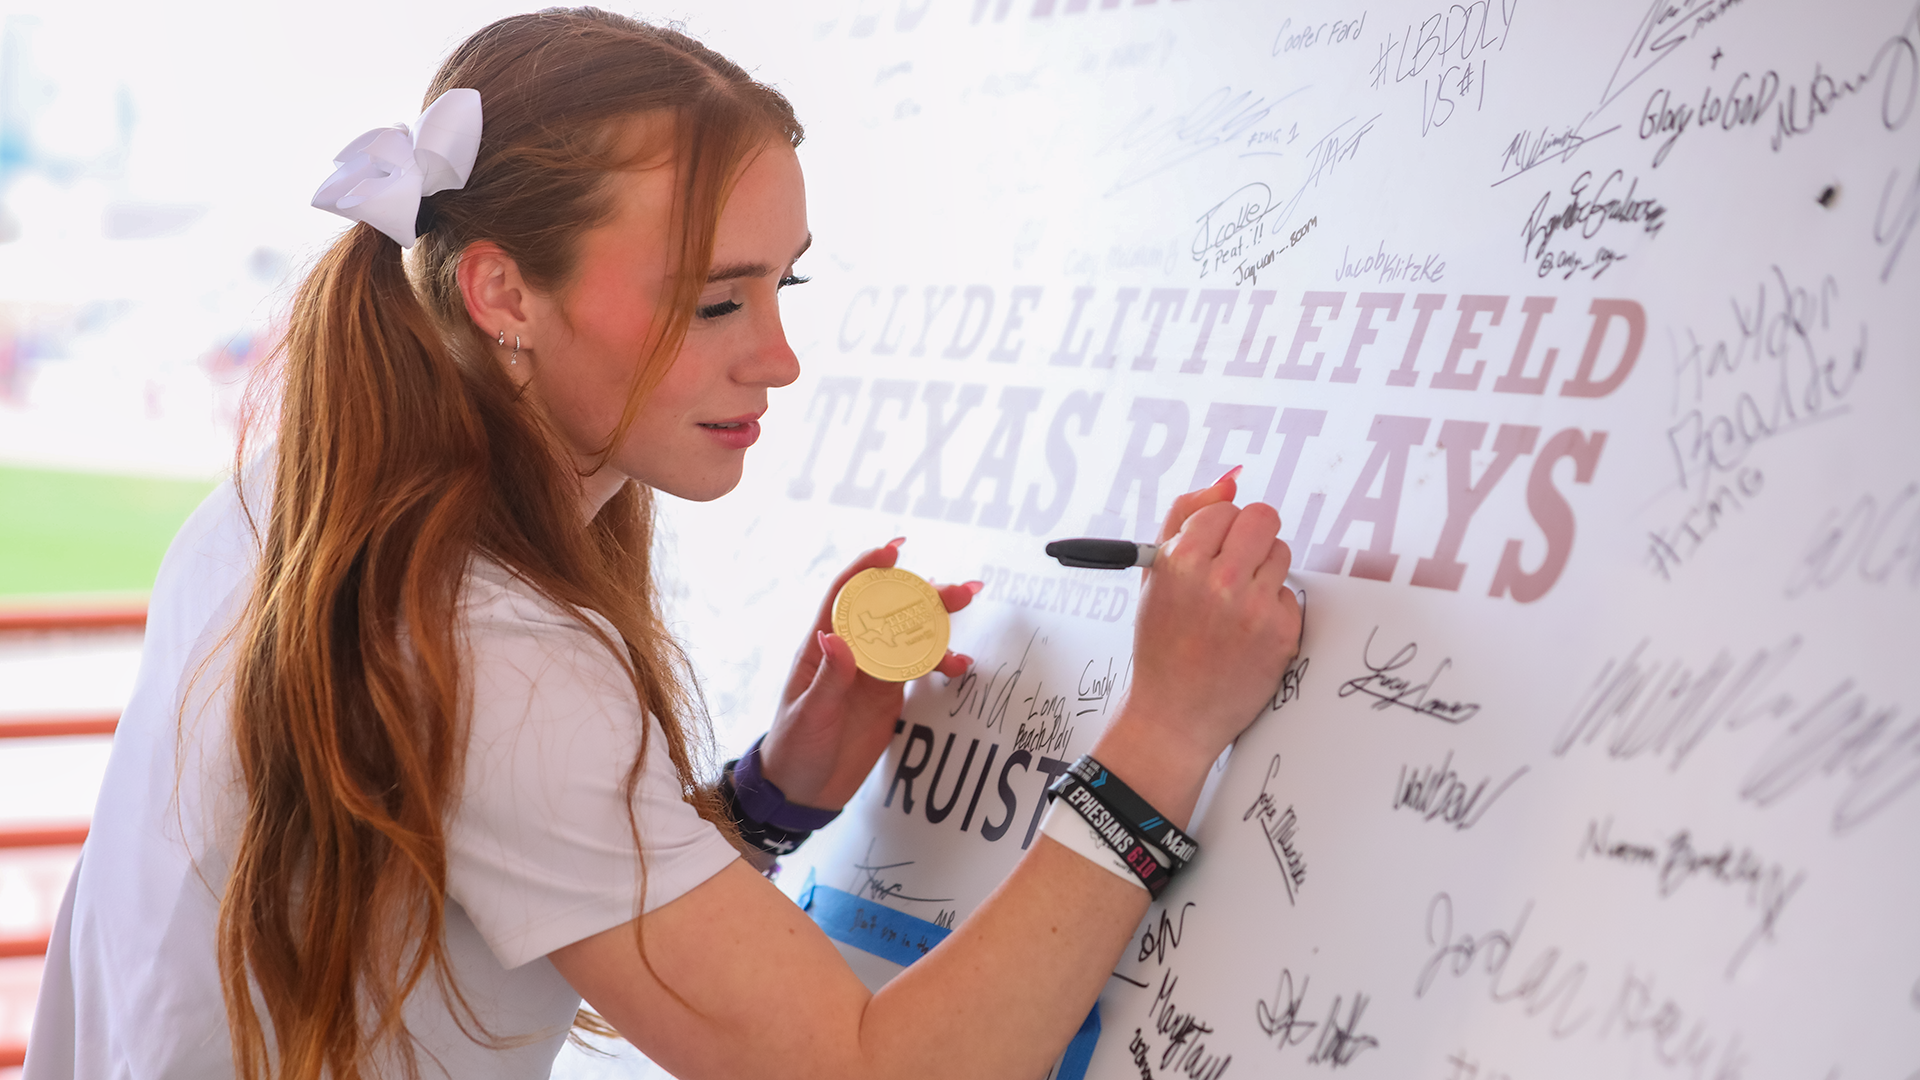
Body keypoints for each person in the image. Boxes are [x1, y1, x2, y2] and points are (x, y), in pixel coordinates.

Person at [24, 9, 1302, 1080]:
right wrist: (1168, 734)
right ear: (501, 293)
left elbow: (480, 893)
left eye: (781, 284)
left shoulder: (285, 505)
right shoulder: (495, 652)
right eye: (712, 300)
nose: (780, 356)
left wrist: (775, 792)